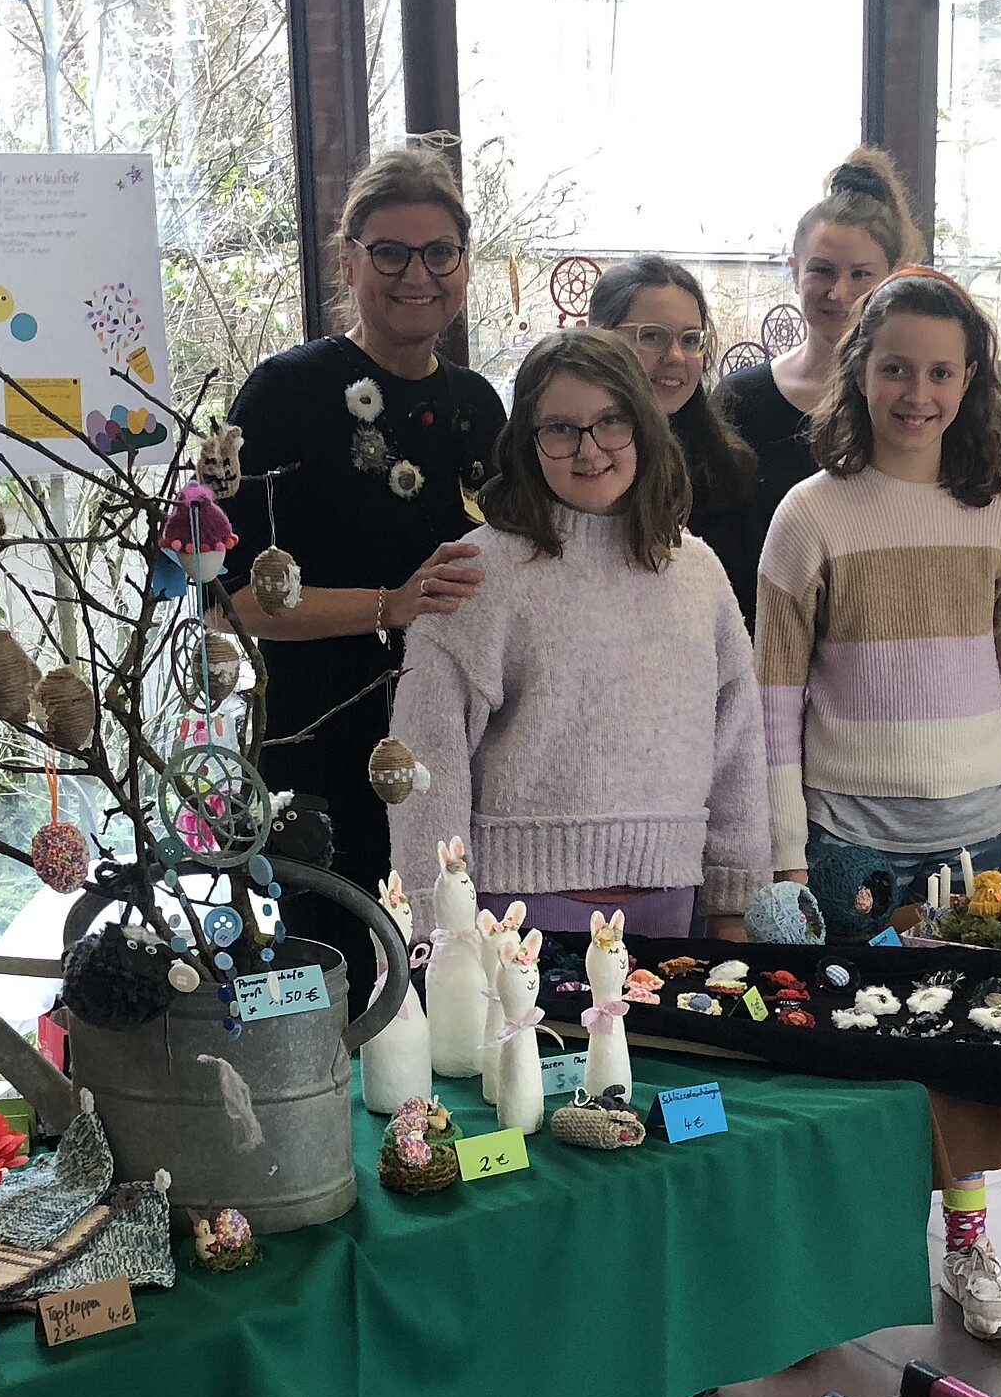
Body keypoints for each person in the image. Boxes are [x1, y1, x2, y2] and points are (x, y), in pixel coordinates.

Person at [756, 273, 1001, 1340]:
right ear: (859, 372)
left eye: (940, 372)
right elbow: (773, 703)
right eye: (895, 369)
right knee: (853, 1065)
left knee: (964, 1057)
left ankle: (968, 1246)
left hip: (975, 844)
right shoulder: (809, 515)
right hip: (848, 849)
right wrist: (786, 855)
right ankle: (836, 1269)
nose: (917, 394)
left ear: (972, 382)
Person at [214, 143, 506, 985]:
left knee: (454, 986)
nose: (417, 274)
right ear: (348, 261)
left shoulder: (479, 406)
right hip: (321, 759)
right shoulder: (287, 393)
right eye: (390, 252)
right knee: (339, 990)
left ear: (464, 263)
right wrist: (389, 605)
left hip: (455, 759)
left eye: (439, 252)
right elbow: (229, 602)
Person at [387, 329, 768, 941]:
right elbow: (428, 760)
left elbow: (738, 746)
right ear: (527, 441)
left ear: (644, 427)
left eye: (611, 422)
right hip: (513, 915)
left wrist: (737, 896)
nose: (589, 450)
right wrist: (434, 921)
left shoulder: (697, 571)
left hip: (671, 904)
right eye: (561, 429)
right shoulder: (477, 573)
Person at [711, 150, 1001, 622]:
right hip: (767, 645)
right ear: (794, 271)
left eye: (860, 274)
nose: (839, 292)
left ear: (890, 280)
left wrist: (949, 564)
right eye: (822, 270)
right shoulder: (741, 401)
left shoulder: (927, 402)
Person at [591, 255, 759, 548]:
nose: (676, 356)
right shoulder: (569, 465)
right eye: (653, 336)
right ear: (597, 339)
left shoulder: (727, 471)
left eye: (690, 340)